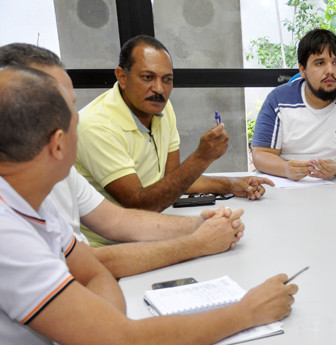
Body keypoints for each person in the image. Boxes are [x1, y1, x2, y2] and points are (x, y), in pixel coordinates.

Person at [0, 65, 298, 345]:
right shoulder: (8, 231)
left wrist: (95, 331)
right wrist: (247, 311)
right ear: (59, 143)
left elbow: (96, 273)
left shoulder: (34, 198)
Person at [0, 42, 246, 278]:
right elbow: (91, 263)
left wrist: (198, 225)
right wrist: (196, 243)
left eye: (167, 79)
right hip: (114, 253)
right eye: (147, 77)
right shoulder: (92, 127)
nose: (74, 119)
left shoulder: (62, 174)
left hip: (124, 252)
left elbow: (119, 219)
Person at [74, 35, 273, 246]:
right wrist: (201, 157)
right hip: (110, 247)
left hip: (152, 228)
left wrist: (230, 184)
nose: (159, 89)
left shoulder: (161, 108)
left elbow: (172, 181)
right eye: (147, 77)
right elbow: (140, 206)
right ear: (122, 77)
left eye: (167, 79)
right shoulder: (96, 125)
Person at [251, 28, 336, 180]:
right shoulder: (278, 100)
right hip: (291, 185)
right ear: (302, 70)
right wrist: (285, 169)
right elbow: (261, 153)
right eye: (320, 63)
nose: (330, 70)